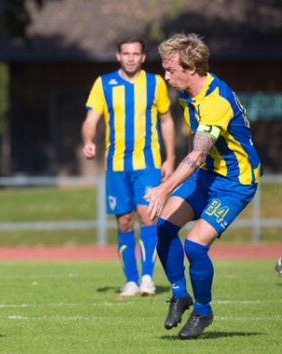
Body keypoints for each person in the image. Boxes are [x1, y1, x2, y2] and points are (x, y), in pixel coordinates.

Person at [144, 33, 261, 339]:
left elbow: (197, 152)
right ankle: (181, 295)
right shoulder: (187, 96)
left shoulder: (215, 102)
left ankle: (203, 311)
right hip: (206, 175)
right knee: (165, 228)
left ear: (191, 68)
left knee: (195, 246)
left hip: (235, 182)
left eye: (171, 70)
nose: (165, 75)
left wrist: (164, 187)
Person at [81, 36, 176, 297]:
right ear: (118, 56)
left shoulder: (155, 83)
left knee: (147, 216)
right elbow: (91, 118)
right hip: (116, 165)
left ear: (143, 57)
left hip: (147, 163)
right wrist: (88, 140)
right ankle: (131, 280)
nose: (131, 57)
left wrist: (170, 158)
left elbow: (166, 121)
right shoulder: (103, 83)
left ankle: (147, 278)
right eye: (126, 53)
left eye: (136, 53)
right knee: (124, 221)